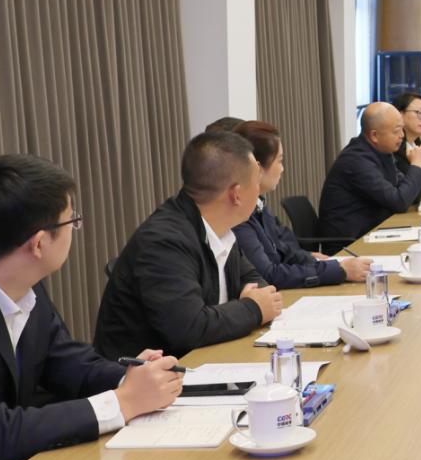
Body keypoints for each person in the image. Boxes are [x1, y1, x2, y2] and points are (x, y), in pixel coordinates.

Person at [0, 155, 182, 460]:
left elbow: (67, 362)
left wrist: (131, 378)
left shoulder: (25, 286)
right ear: (39, 243)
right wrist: (122, 402)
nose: (75, 229)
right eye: (71, 221)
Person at [94, 132, 284, 360]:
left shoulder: (220, 228)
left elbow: (254, 279)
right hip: (154, 374)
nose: (259, 190)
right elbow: (190, 328)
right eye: (256, 182)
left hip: (208, 360)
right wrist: (253, 308)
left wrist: (254, 299)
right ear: (236, 194)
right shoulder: (164, 242)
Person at [231, 120, 373, 289]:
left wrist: (311, 260)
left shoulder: (259, 203)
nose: (282, 169)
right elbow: (269, 275)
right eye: (279, 161)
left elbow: (283, 249)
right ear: (257, 168)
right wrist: (338, 270)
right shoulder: (239, 217)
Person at [317, 102, 421, 239]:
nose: (402, 135)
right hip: (350, 242)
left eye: (402, 129)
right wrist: (417, 166)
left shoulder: (382, 152)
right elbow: (399, 202)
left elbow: (411, 197)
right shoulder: (356, 160)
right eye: (396, 131)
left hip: (373, 232)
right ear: (374, 135)